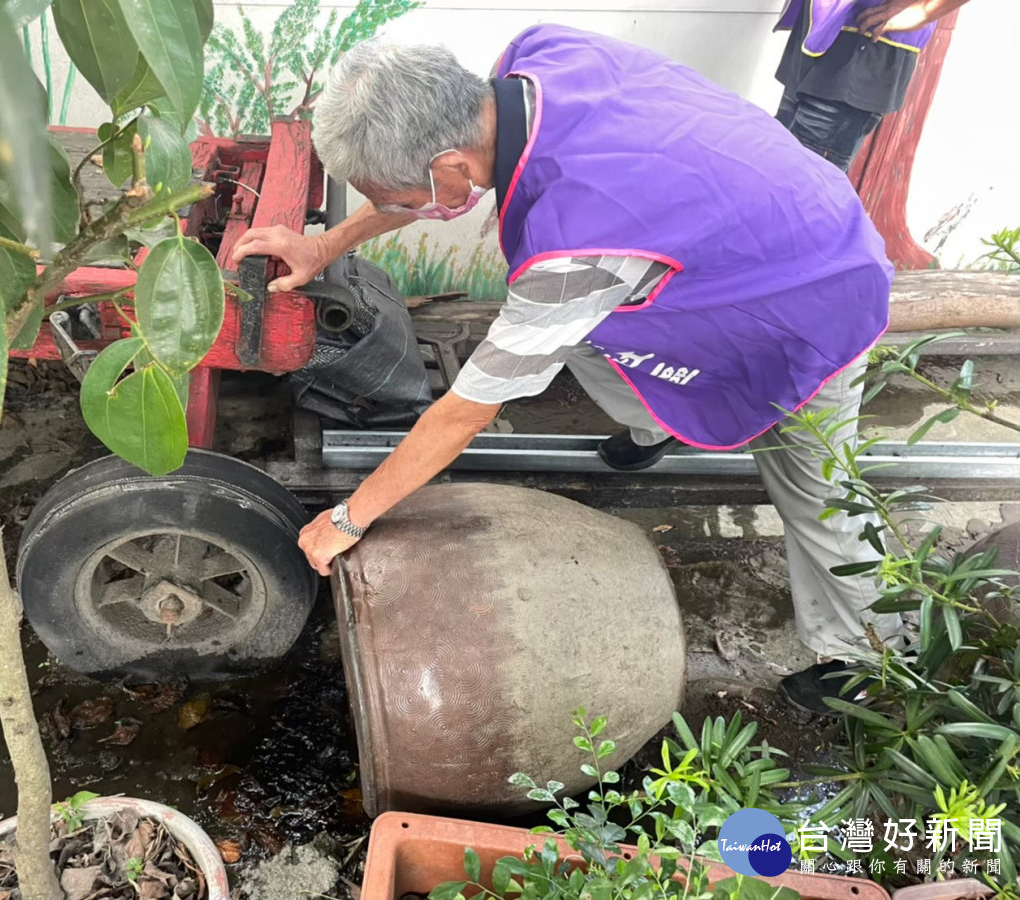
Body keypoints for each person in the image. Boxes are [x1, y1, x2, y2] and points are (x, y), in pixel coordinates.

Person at [232, 25, 908, 714]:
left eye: (403, 197)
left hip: (814, 290)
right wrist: (326, 245)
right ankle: (663, 422)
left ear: (454, 168)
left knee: (816, 487)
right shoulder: (535, 61)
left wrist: (349, 518)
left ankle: (876, 655)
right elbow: (415, 190)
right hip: (738, 233)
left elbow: (468, 409)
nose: (405, 211)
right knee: (584, 336)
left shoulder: (578, 239)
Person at [773, 0, 971, 172]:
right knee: (776, 157)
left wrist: (922, 11)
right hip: (819, 27)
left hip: (865, 42)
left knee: (803, 176)